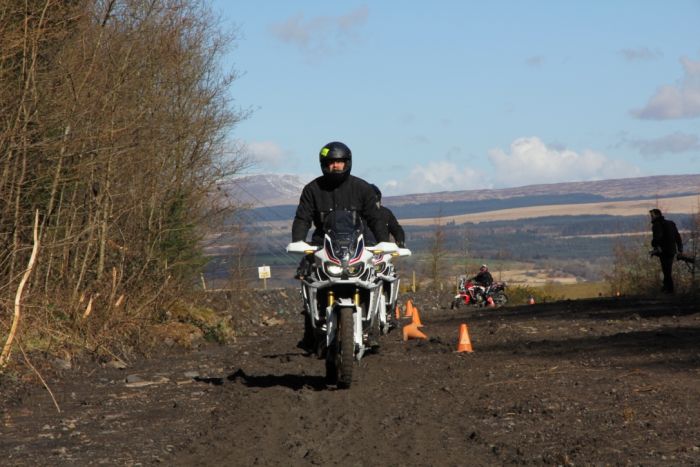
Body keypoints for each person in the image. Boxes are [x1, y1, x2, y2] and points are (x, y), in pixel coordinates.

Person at [292, 141, 390, 351]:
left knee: (373, 278)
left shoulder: (362, 188)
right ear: (323, 164)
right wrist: (298, 241)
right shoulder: (312, 189)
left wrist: (383, 242)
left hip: (356, 246)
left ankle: (370, 331)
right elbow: (302, 218)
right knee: (308, 279)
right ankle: (311, 333)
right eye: (331, 162)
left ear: (348, 163)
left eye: (340, 162)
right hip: (322, 247)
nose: (336, 166)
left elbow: (375, 218)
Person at [649, 208, 683, 293]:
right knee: (667, 269)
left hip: (663, 251)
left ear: (657, 215)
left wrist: (653, 244)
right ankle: (666, 288)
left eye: (652, 215)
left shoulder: (657, 224)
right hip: (672, 250)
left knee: (666, 271)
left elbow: (657, 237)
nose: (651, 217)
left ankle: (669, 290)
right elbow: (677, 237)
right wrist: (680, 249)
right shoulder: (671, 223)